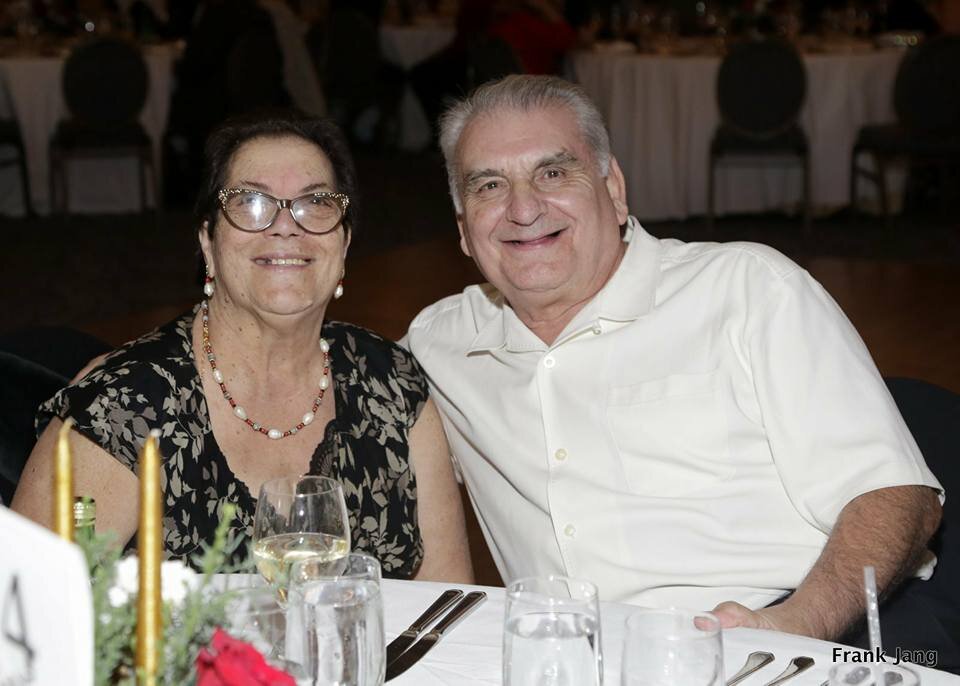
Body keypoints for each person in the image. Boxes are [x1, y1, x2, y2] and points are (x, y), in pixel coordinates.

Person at [404, 75, 947, 647]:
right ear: (464, 230)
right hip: (575, 654)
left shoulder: (748, 290)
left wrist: (797, 626)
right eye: (489, 185)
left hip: (804, 630)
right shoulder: (440, 345)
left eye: (554, 173)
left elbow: (895, 495)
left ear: (614, 190)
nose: (523, 208)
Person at [12, 112, 473, 583]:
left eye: (315, 202)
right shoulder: (122, 410)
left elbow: (449, 600)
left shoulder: (392, 384)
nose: (285, 226)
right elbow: (28, 612)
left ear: (344, 244)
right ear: (208, 242)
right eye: (250, 202)